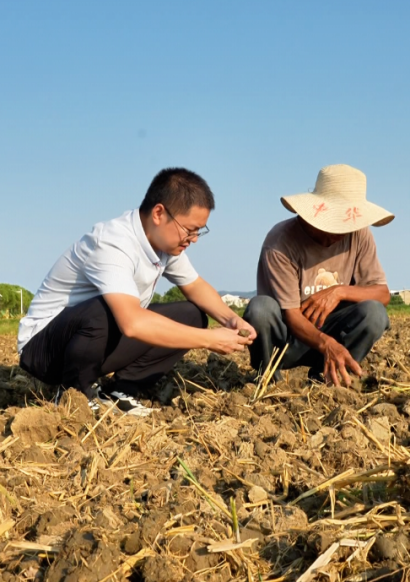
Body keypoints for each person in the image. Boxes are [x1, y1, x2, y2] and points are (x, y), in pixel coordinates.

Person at [18, 168, 256, 416]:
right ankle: (74, 392)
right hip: (44, 349)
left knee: (191, 315)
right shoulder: (113, 243)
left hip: (93, 340)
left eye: (199, 231)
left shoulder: (164, 245)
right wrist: (209, 339)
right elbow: (132, 323)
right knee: (107, 310)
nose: (194, 238)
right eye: (190, 229)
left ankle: (121, 390)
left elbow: (195, 286)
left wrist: (232, 320)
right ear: (159, 213)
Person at [244, 164, 392, 387]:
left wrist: (339, 291)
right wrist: (326, 344)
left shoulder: (359, 235)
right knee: (260, 309)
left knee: (375, 313)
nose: (340, 233)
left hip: (331, 331)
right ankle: (268, 379)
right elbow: (292, 315)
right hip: (287, 340)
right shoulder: (281, 242)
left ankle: (331, 376)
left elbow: (382, 294)